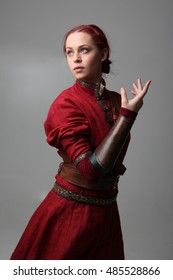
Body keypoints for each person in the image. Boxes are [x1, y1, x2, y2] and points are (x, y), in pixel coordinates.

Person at [10, 24, 151, 260]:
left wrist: (125, 112)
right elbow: (90, 169)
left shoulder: (118, 100)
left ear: (103, 53)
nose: (76, 58)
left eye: (84, 50)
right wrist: (128, 116)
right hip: (71, 213)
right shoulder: (66, 104)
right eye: (69, 52)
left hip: (106, 212)